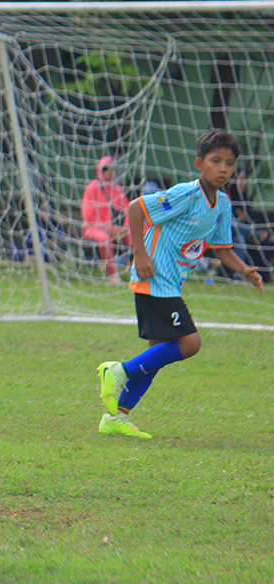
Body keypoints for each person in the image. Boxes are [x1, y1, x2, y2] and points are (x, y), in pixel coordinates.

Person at [96, 129, 264, 439]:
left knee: (157, 354)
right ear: (200, 163)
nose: (223, 169)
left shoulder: (223, 204)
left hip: (171, 283)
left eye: (229, 163)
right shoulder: (187, 193)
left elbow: (222, 248)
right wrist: (140, 254)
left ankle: (116, 417)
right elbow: (136, 208)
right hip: (154, 278)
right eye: (216, 161)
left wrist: (245, 271)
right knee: (190, 343)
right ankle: (117, 371)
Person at [82, 156, 132, 282]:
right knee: (104, 239)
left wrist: (125, 227)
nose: (109, 172)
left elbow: (128, 210)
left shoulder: (116, 188)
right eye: (106, 169)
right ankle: (112, 274)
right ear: (100, 170)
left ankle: (137, 268)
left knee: (135, 235)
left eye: (112, 169)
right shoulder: (92, 187)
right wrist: (106, 228)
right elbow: (88, 215)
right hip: (94, 228)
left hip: (116, 228)